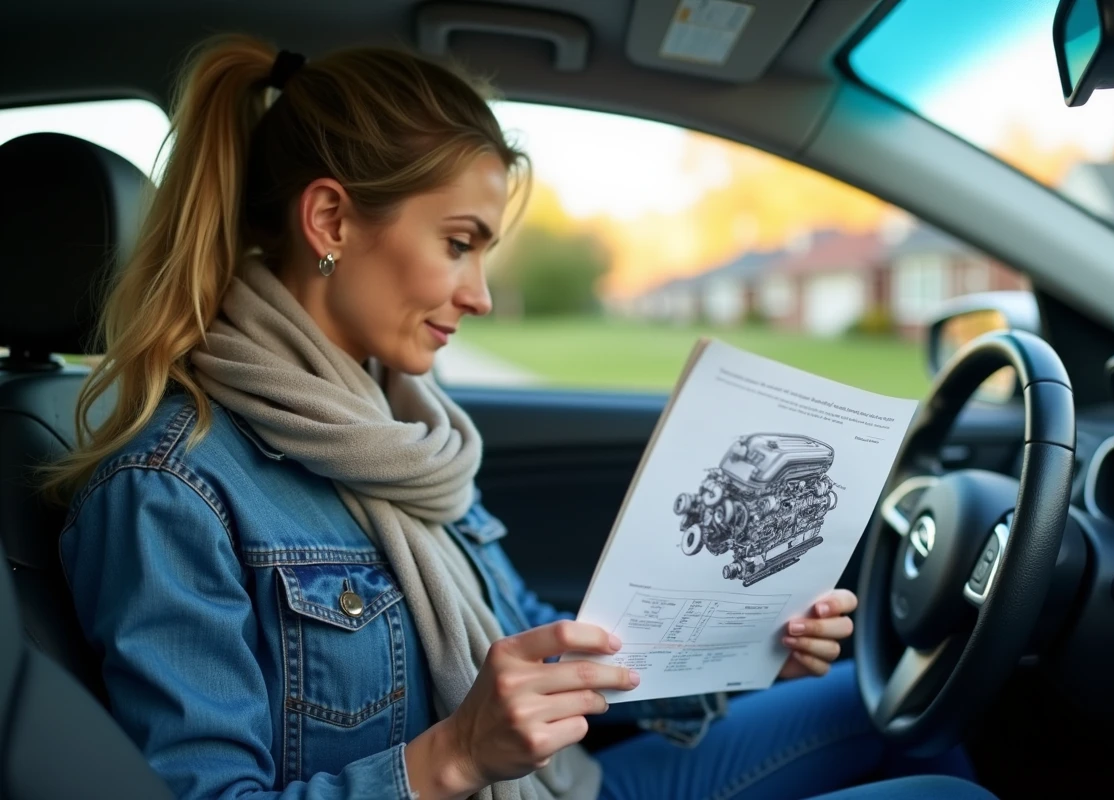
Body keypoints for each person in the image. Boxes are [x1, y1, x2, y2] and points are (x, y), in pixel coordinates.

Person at [47, 34, 994, 800]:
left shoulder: (402, 427)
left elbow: (522, 632)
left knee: (904, 711)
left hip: (568, 778)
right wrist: (450, 758)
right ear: (331, 223)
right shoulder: (169, 489)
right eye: (459, 245)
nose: (482, 294)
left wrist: (740, 648)